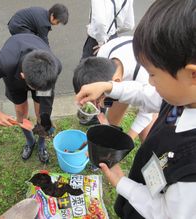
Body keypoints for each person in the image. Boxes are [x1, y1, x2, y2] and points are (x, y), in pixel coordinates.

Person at [76, 0, 196, 218]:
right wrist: (109, 86)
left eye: (152, 74)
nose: (149, 82)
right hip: (148, 180)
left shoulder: (191, 177)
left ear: (192, 75)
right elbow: (145, 94)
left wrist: (122, 183)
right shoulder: (183, 96)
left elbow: (164, 213)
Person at [0, 33, 62, 163]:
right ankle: (30, 142)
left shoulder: (55, 65)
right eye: (34, 88)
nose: (35, 91)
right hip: (14, 79)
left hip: (42, 81)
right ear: (23, 76)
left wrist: (45, 119)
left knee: (42, 115)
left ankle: (41, 145)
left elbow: (46, 98)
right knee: (21, 114)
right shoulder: (6, 62)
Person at [74, 36, 157, 142]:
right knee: (111, 123)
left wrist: (126, 141)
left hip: (153, 86)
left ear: (116, 83)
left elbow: (146, 115)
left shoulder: (146, 78)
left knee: (146, 135)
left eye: (97, 100)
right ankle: (108, 139)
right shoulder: (104, 53)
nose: (95, 105)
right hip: (122, 78)